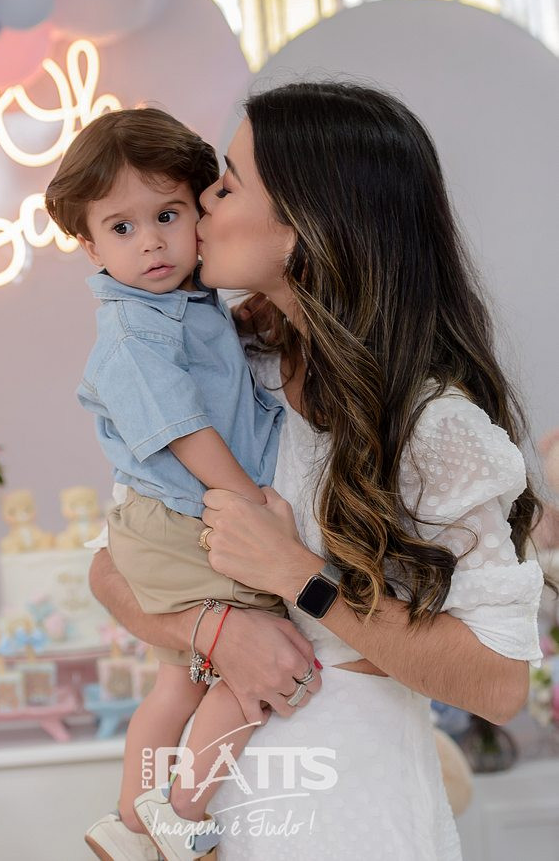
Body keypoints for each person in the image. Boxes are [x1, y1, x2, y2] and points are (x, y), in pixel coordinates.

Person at [89, 82, 547, 861]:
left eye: (227, 185)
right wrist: (216, 629)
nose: (200, 204)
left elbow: (497, 685)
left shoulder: (432, 426)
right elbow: (109, 568)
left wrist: (299, 578)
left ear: (304, 225)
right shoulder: (235, 362)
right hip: (208, 821)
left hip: (346, 816)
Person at [45, 108, 306, 861]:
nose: (152, 242)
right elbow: (186, 432)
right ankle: (179, 810)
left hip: (173, 520)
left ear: (198, 213)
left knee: (177, 684)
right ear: (91, 245)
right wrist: (250, 505)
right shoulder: (134, 334)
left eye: (167, 215)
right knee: (255, 678)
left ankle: (129, 825)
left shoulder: (188, 306)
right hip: (185, 519)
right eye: (122, 228)